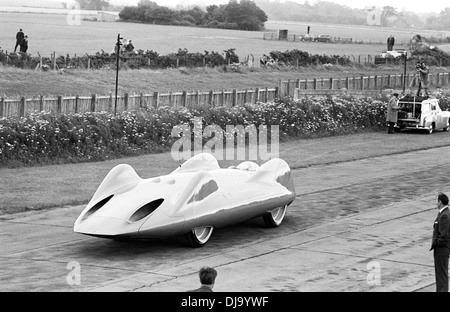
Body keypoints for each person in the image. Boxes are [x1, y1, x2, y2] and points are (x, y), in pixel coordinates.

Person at [430, 193, 450, 292]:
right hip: (443, 249)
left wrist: (437, 243)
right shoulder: (445, 213)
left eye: (437, 201)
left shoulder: (444, 215)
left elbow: (444, 235)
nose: (436, 203)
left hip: (442, 249)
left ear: (440, 202)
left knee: (441, 275)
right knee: (441, 274)